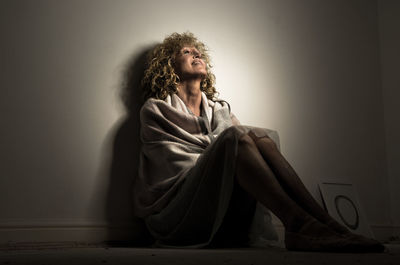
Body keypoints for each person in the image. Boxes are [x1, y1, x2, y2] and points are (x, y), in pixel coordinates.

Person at [132, 32, 384, 252]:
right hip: (179, 216)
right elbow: (175, 171)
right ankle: (298, 225)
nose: (196, 55)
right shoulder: (156, 110)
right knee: (236, 137)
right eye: (187, 52)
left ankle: (325, 222)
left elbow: (239, 155)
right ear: (169, 65)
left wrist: (223, 156)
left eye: (199, 52)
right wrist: (219, 157)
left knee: (260, 138)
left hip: (225, 211)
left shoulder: (221, 111)